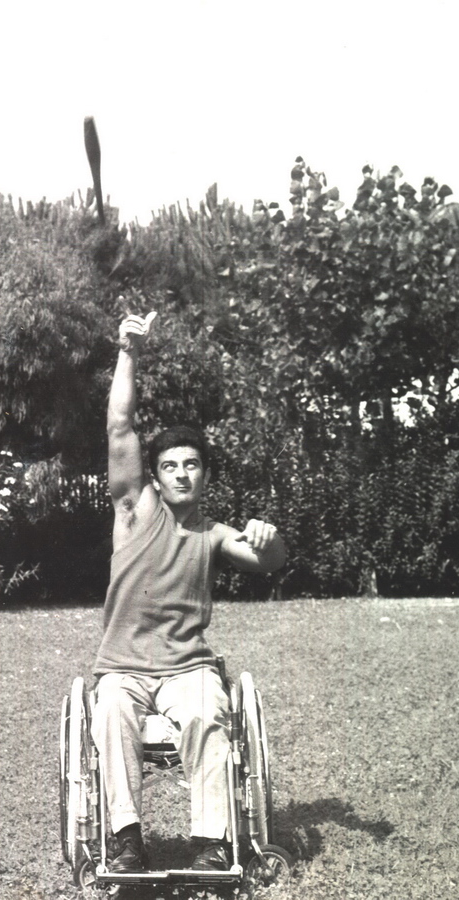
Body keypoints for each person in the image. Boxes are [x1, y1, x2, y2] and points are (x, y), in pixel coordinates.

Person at [91, 312, 286, 873]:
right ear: (153, 477)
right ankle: (127, 840)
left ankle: (211, 844)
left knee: (206, 711)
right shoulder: (134, 511)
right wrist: (128, 351)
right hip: (123, 668)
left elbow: (270, 562)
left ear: (205, 476)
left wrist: (271, 539)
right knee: (111, 714)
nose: (181, 474)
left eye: (192, 465)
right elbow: (120, 426)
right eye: (170, 466)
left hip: (188, 669)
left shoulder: (215, 534)